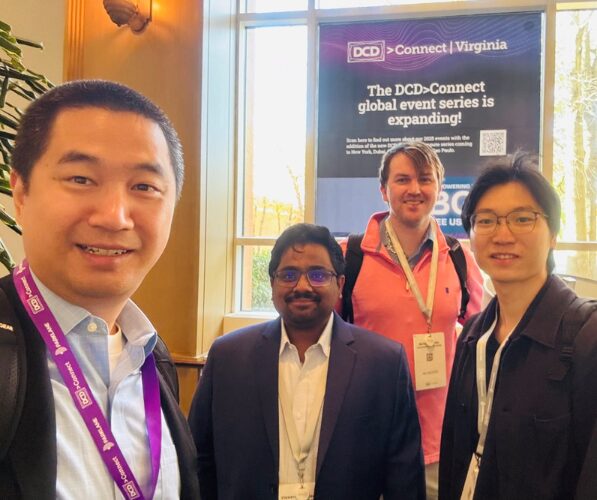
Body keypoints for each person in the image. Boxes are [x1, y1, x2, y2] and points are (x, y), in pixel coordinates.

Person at [0, 80, 199, 499]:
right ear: (20, 192)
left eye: (144, 186)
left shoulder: (151, 358)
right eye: (81, 178)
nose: (114, 217)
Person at [189, 223, 425, 500]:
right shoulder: (228, 358)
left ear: (340, 285)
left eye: (317, 274)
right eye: (288, 275)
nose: (302, 286)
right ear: (272, 283)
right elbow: (198, 460)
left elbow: (404, 476)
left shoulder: (384, 363)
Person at [439, 152, 597, 500]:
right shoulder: (473, 335)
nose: (503, 235)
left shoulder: (586, 336)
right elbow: (455, 449)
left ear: (553, 234)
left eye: (523, 219)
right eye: (487, 221)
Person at [340, 141, 484, 498]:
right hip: (364, 430)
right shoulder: (349, 258)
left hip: (438, 439)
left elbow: (482, 336)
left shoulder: (459, 259)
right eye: (403, 179)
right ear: (384, 190)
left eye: (425, 179)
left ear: (438, 187)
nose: (415, 189)